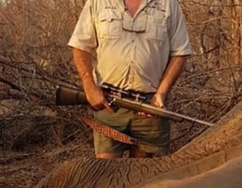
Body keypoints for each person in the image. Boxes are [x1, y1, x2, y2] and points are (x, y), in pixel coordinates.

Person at [68, 0, 192, 159]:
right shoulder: (98, 2)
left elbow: (180, 52)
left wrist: (161, 93)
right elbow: (80, 45)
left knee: (147, 176)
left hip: (149, 108)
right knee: (106, 174)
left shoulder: (168, 4)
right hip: (108, 104)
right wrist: (89, 86)